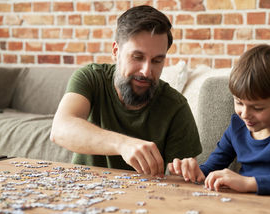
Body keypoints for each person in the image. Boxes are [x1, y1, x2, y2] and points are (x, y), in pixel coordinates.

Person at [50, 5, 202, 177]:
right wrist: (122, 144)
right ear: (116, 51)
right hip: (82, 193)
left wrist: (186, 174)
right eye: (137, 57)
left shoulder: (176, 107)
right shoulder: (91, 78)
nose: (146, 71)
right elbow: (60, 129)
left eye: (157, 61)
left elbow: (182, 185)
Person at [168, 44, 270, 196]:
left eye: (258, 108)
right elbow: (211, 168)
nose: (245, 114)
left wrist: (248, 183)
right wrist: (190, 171)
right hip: (245, 206)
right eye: (239, 102)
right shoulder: (237, 127)